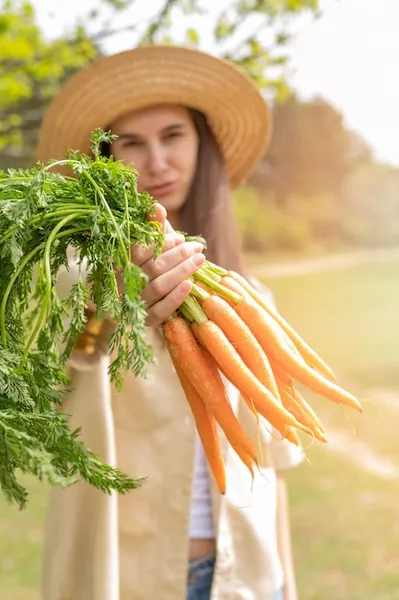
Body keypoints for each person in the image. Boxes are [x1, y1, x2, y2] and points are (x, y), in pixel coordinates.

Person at [36, 45, 304, 600]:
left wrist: (287, 587)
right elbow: (55, 374)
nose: (156, 161)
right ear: (105, 161)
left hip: (248, 582)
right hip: (130, 582)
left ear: (201, 145)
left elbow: (270, 473)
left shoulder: (253, 298)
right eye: (132, 143)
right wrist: (115, 294)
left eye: (173, 136)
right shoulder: (73, 278)